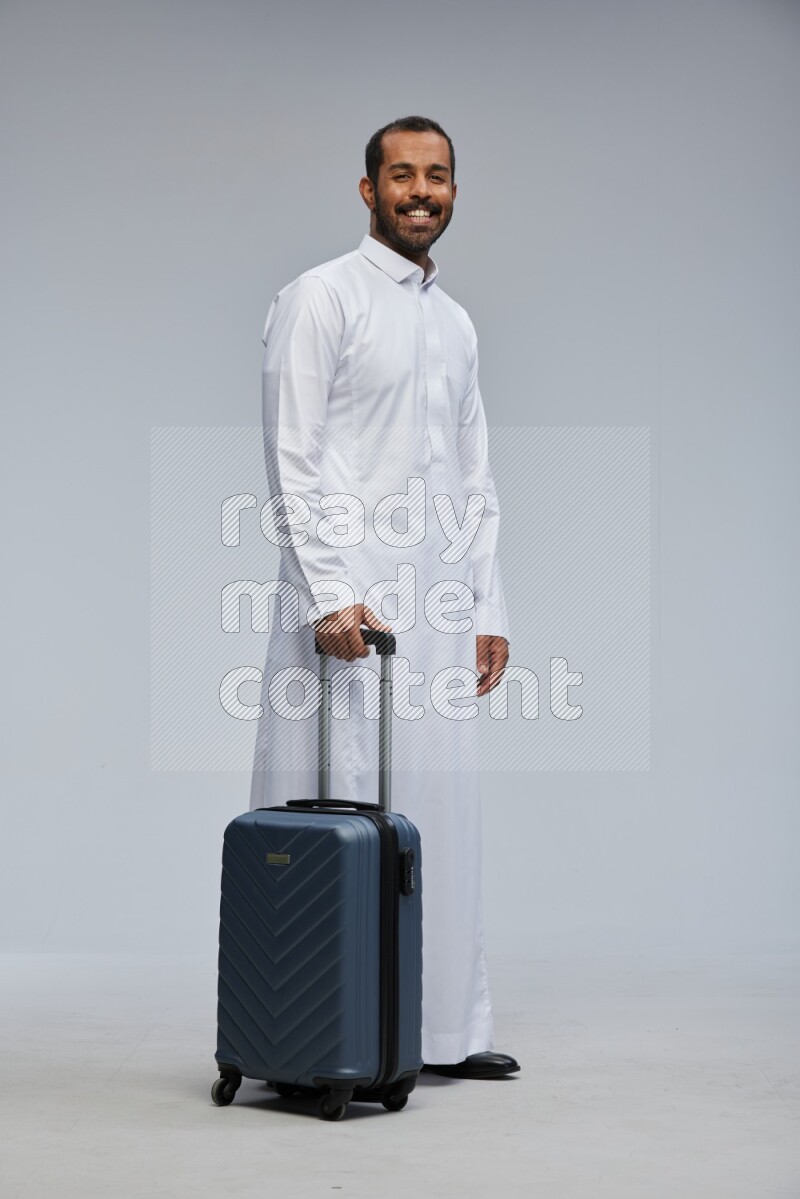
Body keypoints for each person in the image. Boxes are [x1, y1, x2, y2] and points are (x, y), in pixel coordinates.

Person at [249, 115, 519, 1080]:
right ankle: (326, 1035)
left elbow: (476, 477)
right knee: (345, 799)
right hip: (352, 606)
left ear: (453, 191)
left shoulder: (455, 322)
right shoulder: (321, 298)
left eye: (437, 177)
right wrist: (331, 591)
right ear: (367, 190)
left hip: (438, 615)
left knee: (439, 813)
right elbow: (294, 454)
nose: (421, 192)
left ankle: (440, 1033)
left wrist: (488, 607)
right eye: (401, 175)